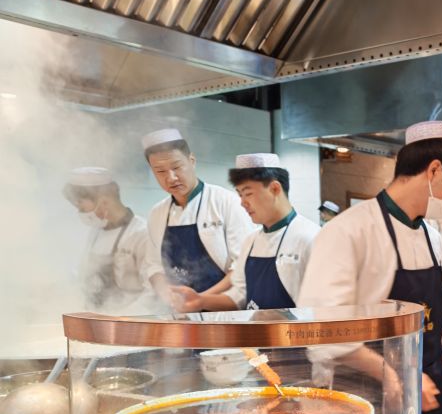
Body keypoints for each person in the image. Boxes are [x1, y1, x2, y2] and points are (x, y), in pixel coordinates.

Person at [298, 120, 442, 414]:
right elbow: (324, 333)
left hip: (429, 393)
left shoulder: (432, 235)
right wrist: (397, 377)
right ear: (434, 171)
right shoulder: (349, 232)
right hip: (370, 397)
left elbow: (435, 328)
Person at [170, 154, 320, 312]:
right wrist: (200, 301)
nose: (242, 203)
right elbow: (239, 295)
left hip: (292, 334)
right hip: (255, 333)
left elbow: (318, 305)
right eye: (239, 195)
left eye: (248, 194)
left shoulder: (310, 237)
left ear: (275, 189)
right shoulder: (251, 241)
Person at [141, 128, 254, 301]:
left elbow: (241, 265)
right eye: (160, 171)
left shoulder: (226, 202)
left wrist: (200, 299)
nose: (171, 178)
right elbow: (153, 266)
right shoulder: (157, 213)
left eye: (176, 167)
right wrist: (167, 295)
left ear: (192, 160)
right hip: (179, 310)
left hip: (224, 307)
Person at [63, 166, 162, 314]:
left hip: (126, 323)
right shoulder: (96, 231)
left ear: (103, 201)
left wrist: (119, 319)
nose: (81, 213)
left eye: (82, 208)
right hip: (95, 319)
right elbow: (85, 275)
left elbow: (153, 294)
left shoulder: (142, 234)